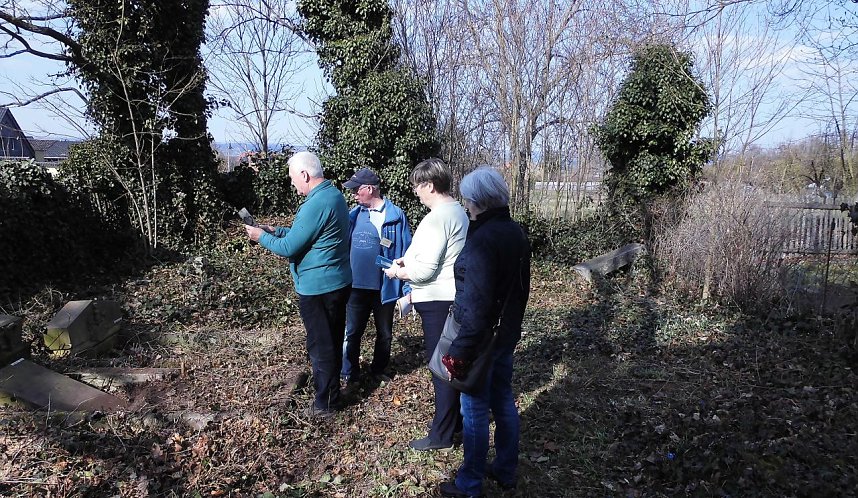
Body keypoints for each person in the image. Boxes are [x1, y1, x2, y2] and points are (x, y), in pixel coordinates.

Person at [437, 167, 531, 498]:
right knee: (504, 399)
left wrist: (460, 351)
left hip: (481, 340)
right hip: (504, 335)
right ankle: (505, 469)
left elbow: (474, 306)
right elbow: (521, 291)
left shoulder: (482, 241)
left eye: (466, 200)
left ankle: (470, 483)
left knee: (474, 409)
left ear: (477, 202)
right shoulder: (515, 232)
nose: (465, 206)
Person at [244, 151, 352, 419]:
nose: (293, 184)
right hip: (337, 282)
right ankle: (332, 394)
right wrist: (275, 230)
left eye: (293, 179)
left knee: (321, 346)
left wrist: (260, 237)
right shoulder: (333, 196)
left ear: (305, 175)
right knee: (333, 340)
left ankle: (324, 404)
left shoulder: (315, 203)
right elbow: (307, 234)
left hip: (319, 288)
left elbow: (290, 246)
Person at [383, 158, 469, 451]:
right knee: (448, 363)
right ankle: (454, 423)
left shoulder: (437, 217)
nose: (415, 192)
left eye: (417, 186)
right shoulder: (456, 211)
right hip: (448, 296)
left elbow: (425, 271)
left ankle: (442, 434)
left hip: (436, 299)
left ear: (430, 185)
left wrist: (398, 272)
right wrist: (407, 259)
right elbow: (432, 255)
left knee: (440, 367)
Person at [341, 167, 412, 387]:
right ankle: (348, 373)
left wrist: (408, 288)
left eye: (356, 190)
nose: (353, 194)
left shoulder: (396, 216)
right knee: (351, 332)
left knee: (385, 334)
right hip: (356, 287)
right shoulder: (353, 215)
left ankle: (378, 369)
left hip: (385, 287)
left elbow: (408, 250)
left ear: (370, 189)